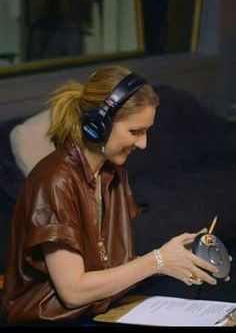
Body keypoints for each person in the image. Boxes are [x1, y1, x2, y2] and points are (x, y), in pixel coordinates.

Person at [1, 65, 227, 325]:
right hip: (53, 318)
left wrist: (180, 256)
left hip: (99, 306)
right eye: (135, 131)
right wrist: (158, 261)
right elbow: (73, 291)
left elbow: (111, 265)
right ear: (98, 125)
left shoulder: (111, 170)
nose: (143, 144)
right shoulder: (55, 181)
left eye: (146, 131)